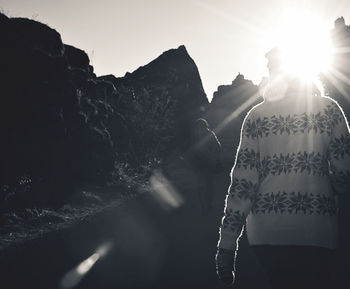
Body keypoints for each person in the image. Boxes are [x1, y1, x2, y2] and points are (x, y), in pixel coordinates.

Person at [215, 47, 350, 289]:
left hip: (267, 235)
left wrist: (226, 245)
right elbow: (344, 174)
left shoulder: (256, 117)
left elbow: (243, 184)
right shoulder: (330, 111)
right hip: (317, 232)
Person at [189, 118, 223, 213]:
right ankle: (207, 205)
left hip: (200, 163)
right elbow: (218, 147)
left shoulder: (195, 135)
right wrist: (213, 157)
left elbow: (192, 149)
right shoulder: (209, 134)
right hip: (207, 163)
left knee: (202, 185)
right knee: (208, 185)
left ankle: (204, 205)